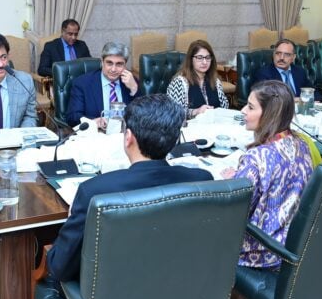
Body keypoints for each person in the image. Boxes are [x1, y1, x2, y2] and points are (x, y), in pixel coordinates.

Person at [47, 94, 213, 283]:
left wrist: (71, 219)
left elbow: (59, 268)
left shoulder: (93, 191)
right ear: (176, 140)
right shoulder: (202, 179)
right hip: (179, 287)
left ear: (128, 137)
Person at [222, 80, 314, 268]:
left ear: (269, 114)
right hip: (295, 245)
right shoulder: (302, 145)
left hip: (262, 250)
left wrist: (233, 182)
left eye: (250, 107)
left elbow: (236, 212)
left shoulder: (256, 158)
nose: (243, 111)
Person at [65, 41, 140, 128]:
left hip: (124, 135)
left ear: (125, 65)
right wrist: (93, 122)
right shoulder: (82, 83)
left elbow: (144, 116)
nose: (113, 69)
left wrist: (134, 89)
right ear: (102, 62)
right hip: (96, 136)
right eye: (109, 63)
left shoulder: (131, 81)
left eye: (119, 64)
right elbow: (72, 117)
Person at [167, 39, 229, 119]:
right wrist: (195, 111)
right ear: (190, 59)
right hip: (189, 129)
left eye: (208, 57)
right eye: (199, 58)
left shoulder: (215, 81)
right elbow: (173, 113)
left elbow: (225, 107)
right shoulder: (180, 82)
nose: (204, 62)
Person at [253, 38, 320, 99]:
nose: (281, 58)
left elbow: (312, 92)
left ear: (293, 57)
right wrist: (296, 100)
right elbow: (266, 99)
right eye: (278, 53)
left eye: (287, 54)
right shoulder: (264, 74)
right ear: (273, 55)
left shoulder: (299, 71)